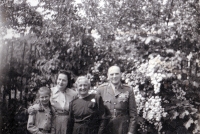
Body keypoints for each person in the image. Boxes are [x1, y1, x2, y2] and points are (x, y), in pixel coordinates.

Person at [97, 65, 138, 134]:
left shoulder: (128, 89)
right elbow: (97, 113)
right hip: (106, 128)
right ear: (108, 76)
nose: (114, 76)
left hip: (123, 128)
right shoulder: (101, 89)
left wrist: (131, 131)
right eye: (112, 74)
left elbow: (133, 114)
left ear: (121, 74)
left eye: (117, 74)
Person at [50, 70, 77, 134]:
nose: (61, 82)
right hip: (53, 122)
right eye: (59, 79)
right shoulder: (50, 92)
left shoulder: (73, 94)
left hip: (67, 123)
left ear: (68, 82)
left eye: (64, 80)